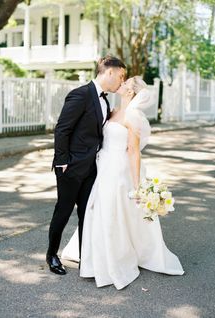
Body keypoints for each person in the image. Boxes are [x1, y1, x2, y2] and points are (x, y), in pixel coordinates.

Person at [62, 76, 184, 289]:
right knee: (97, 208)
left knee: (110, 211)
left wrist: (137, 186)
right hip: (102, 166)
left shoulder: (133, 116)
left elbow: (134, 152)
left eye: (126, 82)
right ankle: (94, 254)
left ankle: (114, 260)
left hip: (118, 170)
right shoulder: (113, 111)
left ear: (130, 92)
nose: (122, 82)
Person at [46, 56, 126, 275]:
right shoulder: (81, 94)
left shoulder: (105, 100)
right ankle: (52, 255)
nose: (121, 80)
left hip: (92, 168)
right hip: (70, 167)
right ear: (109, 72)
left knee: (86, 214)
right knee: (63, 211)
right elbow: (62, 129)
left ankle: (86, 256)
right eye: (120, 76)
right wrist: (62, 161)